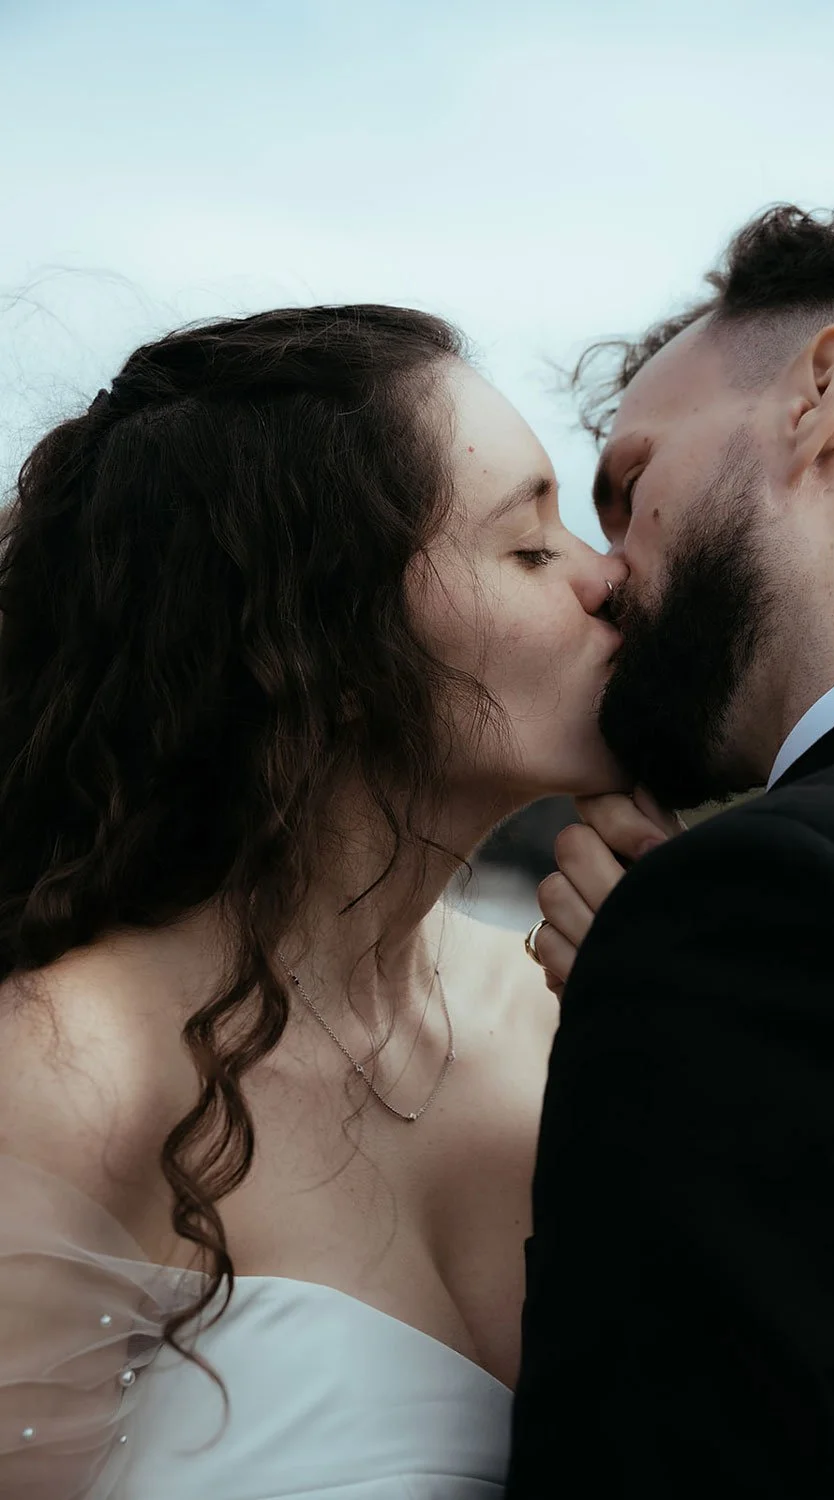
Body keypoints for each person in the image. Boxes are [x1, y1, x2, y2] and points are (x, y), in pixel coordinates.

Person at [0, 303, 630, 1499]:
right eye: (531, 547)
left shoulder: (569, 1004)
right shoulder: (69, 1075)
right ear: (326, 647)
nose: (609, 579)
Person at [507, 195, 834, 1498]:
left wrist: (676, 995)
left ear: (825, 393)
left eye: (628, 487)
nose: (604, 577)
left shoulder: (772, 916)